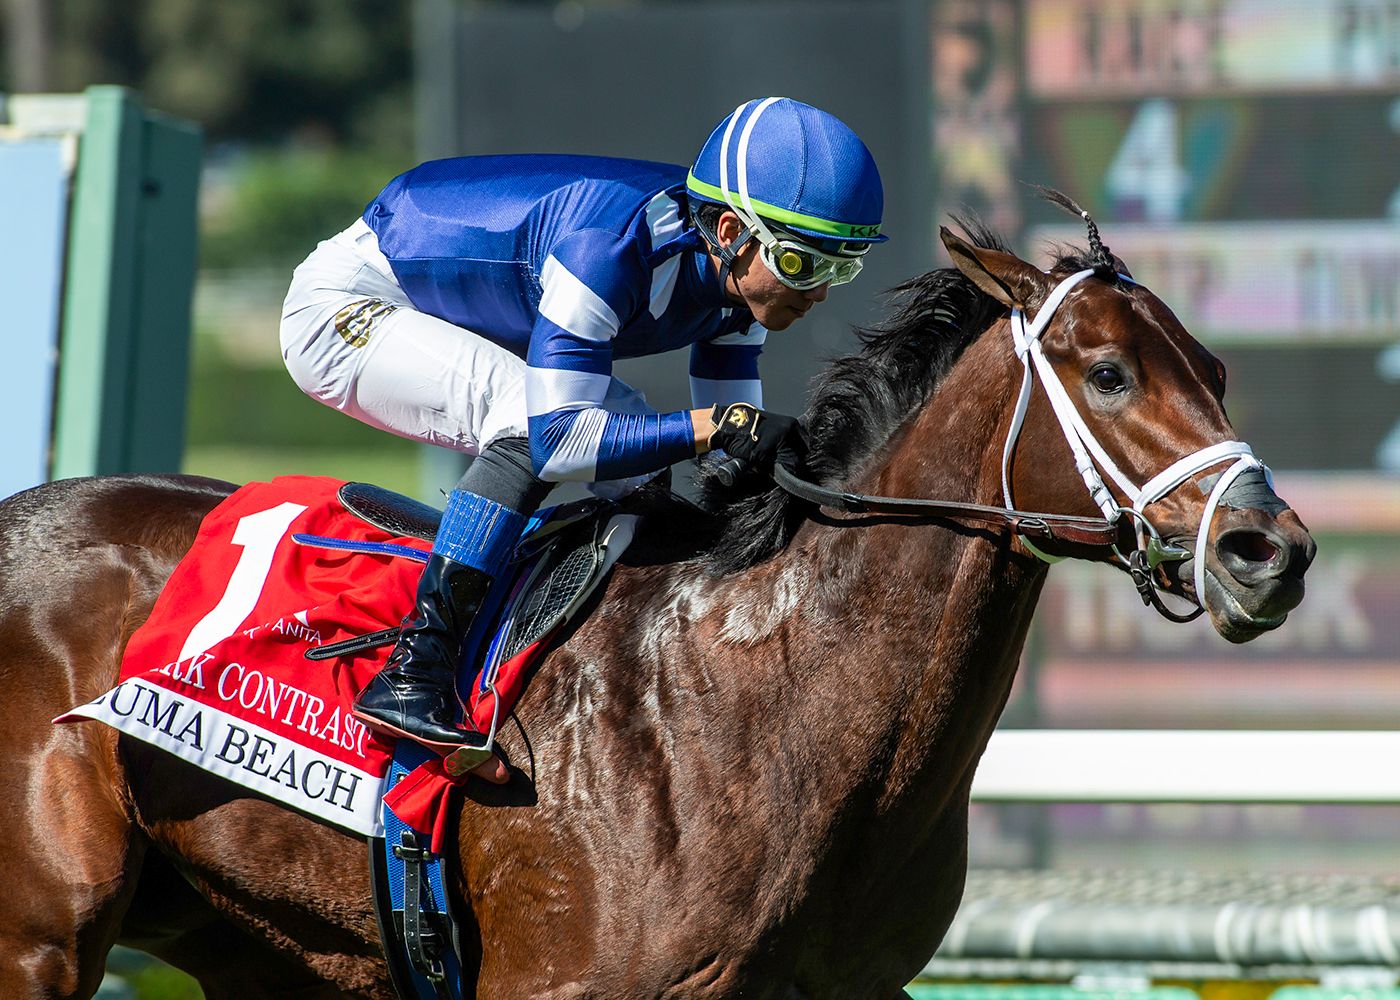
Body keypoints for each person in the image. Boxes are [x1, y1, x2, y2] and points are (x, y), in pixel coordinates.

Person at [279, 96, 885, 758]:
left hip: (465, 307)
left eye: (840, 266)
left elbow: (727, 456)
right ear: (733, 233)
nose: (820, 291)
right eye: (802, 263)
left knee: (643, 456)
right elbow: (559, 443)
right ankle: (417, 666)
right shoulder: (607, 250)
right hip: (346, 306)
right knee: (529, 418)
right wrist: (721, 428)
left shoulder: (735, 281)